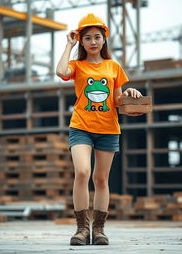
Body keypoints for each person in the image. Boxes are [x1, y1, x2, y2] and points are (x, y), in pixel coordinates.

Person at [56, 13, 142, 246]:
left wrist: (130, 94)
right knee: (83, 172)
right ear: (82, 42)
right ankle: (82, 229)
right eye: (87, 38)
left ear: (104, 40)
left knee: (101, 178)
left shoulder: (113, 66)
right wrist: (68, 45)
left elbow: (117, 100)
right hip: (81, 126)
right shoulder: (77, 65)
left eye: (97, 37)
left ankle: (100, 230)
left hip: (108, 128)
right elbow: (61, 72)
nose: (93, 42)